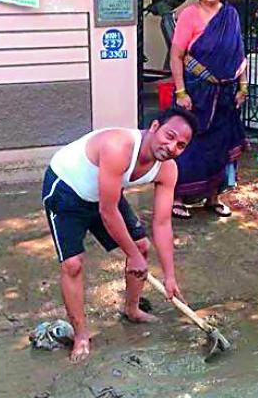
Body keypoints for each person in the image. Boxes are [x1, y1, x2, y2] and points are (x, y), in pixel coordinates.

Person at [41, 108, 198, 362]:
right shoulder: (119, 147)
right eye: (169, 136)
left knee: (141, 245)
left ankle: (132, 309)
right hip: (67, 189)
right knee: (73, 264)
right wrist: (133, 256)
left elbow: (162, 223)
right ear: (155, 126)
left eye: (181, 145)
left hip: (105, 193)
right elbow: (107, 210)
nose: (171, 147)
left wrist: (170, 276)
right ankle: (81, 334)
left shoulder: (168, 170)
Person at [168, 0, 248, 220]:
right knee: (189, 144)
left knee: (220, 145)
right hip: (196, 91)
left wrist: (243, 87)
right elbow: (176, 55)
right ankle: (178, 197)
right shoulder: (189, 15)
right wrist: (181, 92)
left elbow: (239, 54)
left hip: (225, 94)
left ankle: (214, 197)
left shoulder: (231, 15)